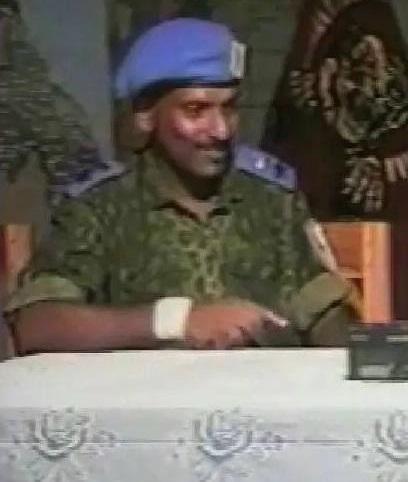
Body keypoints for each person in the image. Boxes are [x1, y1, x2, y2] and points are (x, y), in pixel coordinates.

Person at [3, 17, 357, 354]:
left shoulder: (271, 199)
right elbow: (35, 325)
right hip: (145, 394)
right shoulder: (100, 208)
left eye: (229, 108)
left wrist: (354, 361)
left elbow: (322, 311)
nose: (220, 130)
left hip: (263, 389)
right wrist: (176, 321)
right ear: (145, 116)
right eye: (195, 110)